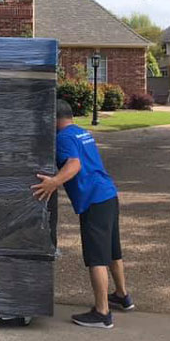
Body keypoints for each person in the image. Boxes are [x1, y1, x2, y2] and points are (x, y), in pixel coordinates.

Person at [31, 100, 134, 328]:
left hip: (94, 200)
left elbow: (74, 164)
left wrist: (54, 182)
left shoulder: (63, 138)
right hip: (108, 194)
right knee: (112, 250)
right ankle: (122, 296)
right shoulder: (81, 132)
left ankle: (102, 313)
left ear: (53, 119)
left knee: (96, 257)